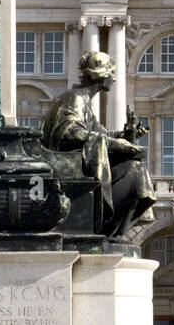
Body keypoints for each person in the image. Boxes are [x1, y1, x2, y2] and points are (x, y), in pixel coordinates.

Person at [41, 50, 155, 236]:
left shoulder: (83, 100)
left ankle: (113, 232)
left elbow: (100, 133)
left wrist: (125, 134)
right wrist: (113, 144)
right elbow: (67, 133)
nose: (114, 79)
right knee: (134, 171)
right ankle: (109, 230)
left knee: (135, 164)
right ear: (101, 75)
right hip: (67, 169)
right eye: (111, 73)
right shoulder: (75, 98)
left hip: (77, 166)